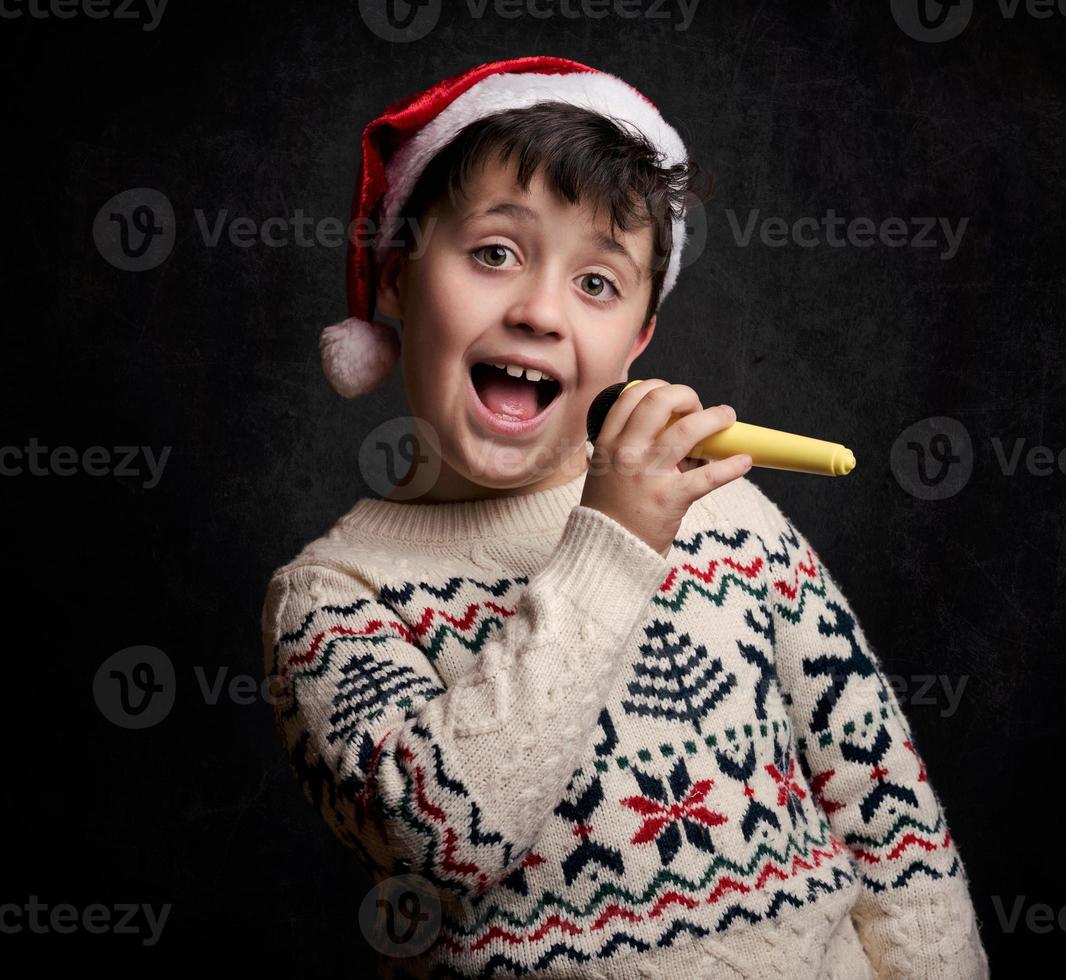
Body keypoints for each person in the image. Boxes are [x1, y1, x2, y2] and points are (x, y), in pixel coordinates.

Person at [260, 55, 990, 978]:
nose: (539, 313)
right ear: (397, 278)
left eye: (597, 283)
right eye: (494, 253)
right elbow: (442, 848)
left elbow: (888, 809)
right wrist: (610, 544)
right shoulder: (329, 598)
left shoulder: (726, 510)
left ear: (639, 337)